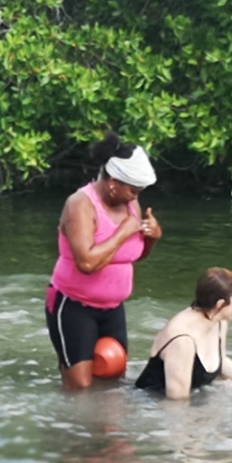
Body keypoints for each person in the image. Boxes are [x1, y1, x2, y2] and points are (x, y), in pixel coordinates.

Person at [46, 136, 163, 390]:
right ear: (112, 183)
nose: (135, 197)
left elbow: (134, 255)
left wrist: (152, 238)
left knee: (113, 379)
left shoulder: (130, 204)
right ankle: (68, 428)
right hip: (74, 305)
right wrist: (122, 231)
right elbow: (86, 263)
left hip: (112, 308)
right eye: (132, 190)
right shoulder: (80, 204)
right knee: (81, 389)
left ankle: (106, 429)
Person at [137, 268, 232, 399]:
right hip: (150, 404)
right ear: (220, 304)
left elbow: (220, 361)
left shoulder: (218, 320)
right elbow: (177, 401)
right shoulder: (183, 340)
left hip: (192, 397)